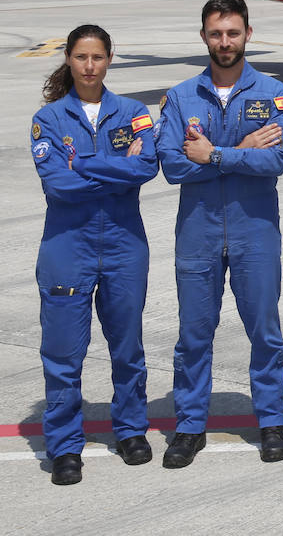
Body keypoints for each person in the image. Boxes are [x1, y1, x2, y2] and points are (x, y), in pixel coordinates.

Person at [155, 0, 283, 468]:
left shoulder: (274, 92)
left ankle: (272, 421)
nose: (225, 42)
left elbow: (275, 159)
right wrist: (242, 152)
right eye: (216, 33)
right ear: (204, 37)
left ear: (248, 35)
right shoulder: (179, 97)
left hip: (255, 231)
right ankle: (190, 425)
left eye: (233, 32)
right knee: (194, 333)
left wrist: (214, 154)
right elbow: (173, 165)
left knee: (265, 331)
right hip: (198, 231)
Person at [30, 25, 159, 485]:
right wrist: (116, 170)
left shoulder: (132, 112)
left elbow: (147, 167)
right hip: (68, 247)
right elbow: (57, 185)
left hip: (125, 246)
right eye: (81, 57)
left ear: (109, 60)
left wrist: (81, 162)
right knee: (64, 353)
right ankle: (65, 445)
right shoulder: (48, 119)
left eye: (98, 57)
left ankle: (129, 429)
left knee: (128, 348)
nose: (89, 66)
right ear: (68, 59)